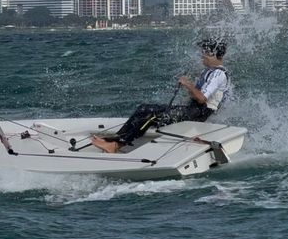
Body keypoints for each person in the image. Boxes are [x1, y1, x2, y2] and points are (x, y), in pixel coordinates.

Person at [91, 39, 230, 154]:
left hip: (199, 113)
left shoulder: (218, 74)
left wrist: (188, 84)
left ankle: (116, 145)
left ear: (212, 54)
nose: (202, 56)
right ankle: (116, 138)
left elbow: (201, 99)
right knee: (144, 108)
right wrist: (189, 85)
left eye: (204, 53)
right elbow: (197, 95)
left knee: (150, 116)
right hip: (192, 110)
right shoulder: (209, 71)